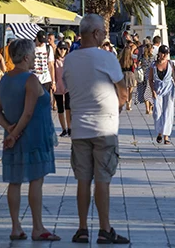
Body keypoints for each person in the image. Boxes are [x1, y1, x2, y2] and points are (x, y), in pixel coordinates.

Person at [63, 14, 129, 245]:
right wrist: (117, 107)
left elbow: (68, 88)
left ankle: (82, 229)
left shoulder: (69, 60)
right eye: (102, 31)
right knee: (102, 179)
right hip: (105, 128)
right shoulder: (106, 58)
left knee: (82, 179)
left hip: (80, 127)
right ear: (94, 33)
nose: (104, 35)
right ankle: (104, 229)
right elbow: (123, 92)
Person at [0, 39, 59, 242]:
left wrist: (9, 129)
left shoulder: (5, 79)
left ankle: (15, 227)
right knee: (36, 181)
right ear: (27, 57)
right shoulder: (30, 80)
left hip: (12, 138)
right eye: (34, 55)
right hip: (33, 138)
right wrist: (15, 133)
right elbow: (28, 113)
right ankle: (37, 227)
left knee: (14, 181)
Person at [149, 45, 175, 145]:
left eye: (166, 53)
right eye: (162, 53)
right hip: (158, 89)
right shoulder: (153, 65)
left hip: (168, 90)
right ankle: (159, 132)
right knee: (157, 112)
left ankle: (166, 136)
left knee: (168, 111)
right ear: (158, 53)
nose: (164, 55)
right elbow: (150, 79)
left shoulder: (170, 64)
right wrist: (153, 90)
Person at [53, 42, 72, 137]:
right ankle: (64, 128)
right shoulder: (54, 60)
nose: (62, 51)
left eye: (64, 49)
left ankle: (70, 128)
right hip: (58, 86)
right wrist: (53, 83)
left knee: (68, 108)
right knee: (60, 109)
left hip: (68, 87)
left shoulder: (69, 60)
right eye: (61, 48)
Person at [134, 39, 154, 115]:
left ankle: (147, 108)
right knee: (149, 92)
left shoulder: (142, 57)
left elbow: (138, 64)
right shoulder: (153, 58)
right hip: (150, 77)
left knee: (145, 92)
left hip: (143, 77)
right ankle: (150, 108)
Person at [33, 31, 55, 96]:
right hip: (33, 79)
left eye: (43, 41)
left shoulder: (48, 48)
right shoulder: (31, 47)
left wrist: (53, 82)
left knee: (45, 101)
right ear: (36, 38)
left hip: (46, 80)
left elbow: (51, 65)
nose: (41, 43)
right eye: (40, 41)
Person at [118, 41, 136, 111]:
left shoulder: (121, 60)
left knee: (125, 90)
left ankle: (126, 101)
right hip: (131, 74)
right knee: (131, 90)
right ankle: (129, 104)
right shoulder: (131, 59)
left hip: (123, 74)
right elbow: (134, 67)